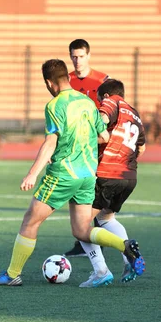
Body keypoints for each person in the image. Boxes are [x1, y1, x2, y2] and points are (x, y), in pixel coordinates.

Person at [0, 59, 145, 286]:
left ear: (49, 83)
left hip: (64, 174)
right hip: (88, 175)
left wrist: (32, 173)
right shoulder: (88, 103)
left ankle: (12, 274)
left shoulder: (54, 105)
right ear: (67, 78)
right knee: (81, 230)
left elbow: (50, 143)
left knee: (30, 221)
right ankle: (124, 246)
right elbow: (105, 137)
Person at [77, 78, 147, 288]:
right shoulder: (135, 115)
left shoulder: (111, 102)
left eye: (99, 100)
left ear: (106, 96)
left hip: (107, 173)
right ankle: (128, 261)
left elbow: (102, 119)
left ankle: (100, 270)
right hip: (129, 177)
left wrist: (83, 136)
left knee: (81, 225)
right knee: (106, 218)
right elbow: (141, 148)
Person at [63, 38, 110, 257]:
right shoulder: (66, 80)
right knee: (78, 191)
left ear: (89, 56)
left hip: (98, 146)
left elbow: (111, 110)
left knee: (95, 193)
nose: (77, 60)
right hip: (74, 147)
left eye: (81, 56)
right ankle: (85, 240)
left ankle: (93, 237)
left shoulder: (102, 80)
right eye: (74, 56)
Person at [68, 39, 109, 109]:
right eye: (75, 57)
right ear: (70, 56)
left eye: (81, 56)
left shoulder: (104, 80)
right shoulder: (65, 80)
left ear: (88, 55)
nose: (78, 61)